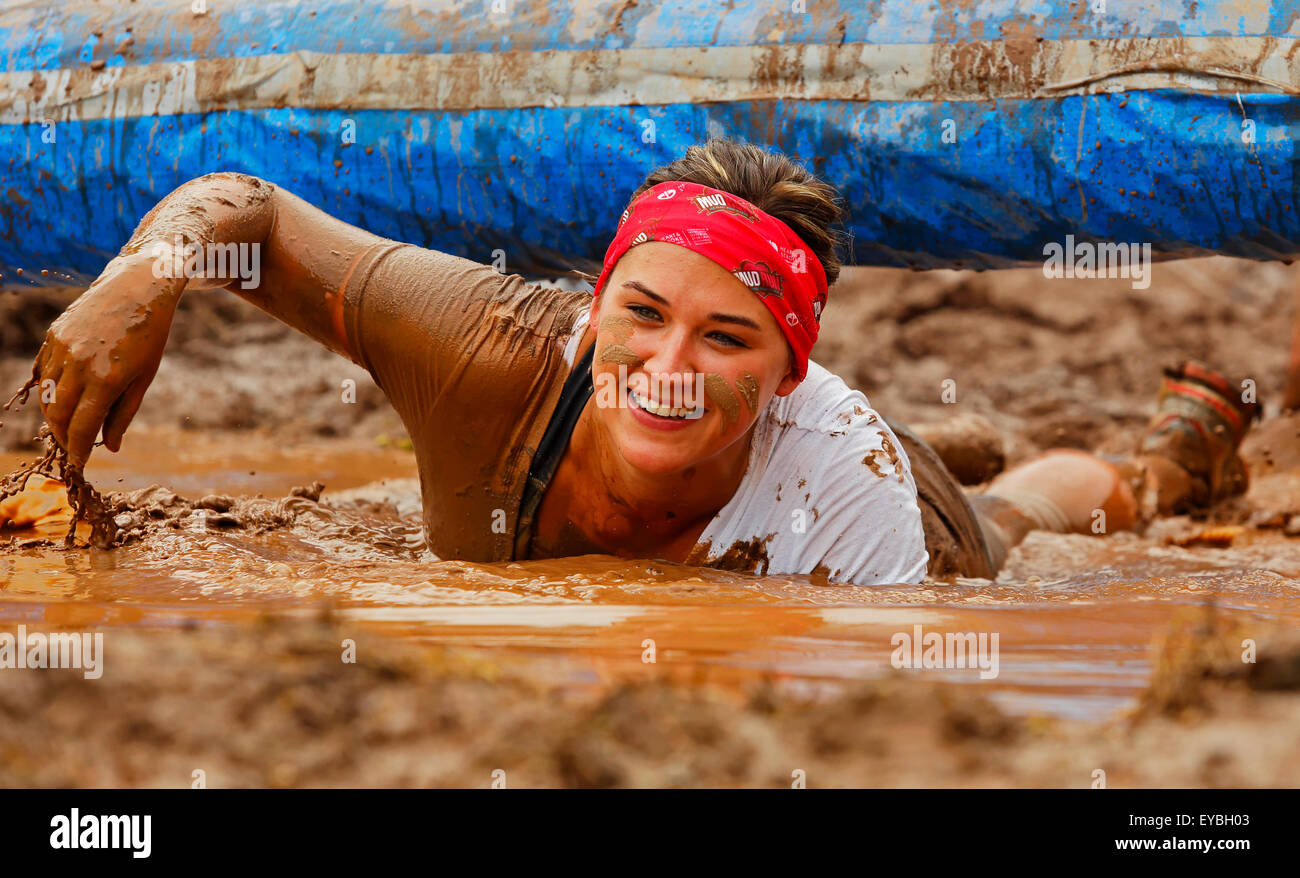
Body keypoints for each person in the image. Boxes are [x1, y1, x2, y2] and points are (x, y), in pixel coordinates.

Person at [28, 139, 1260, 584]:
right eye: (642, 314)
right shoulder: (492, 344)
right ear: (594, 305)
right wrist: (142, 281)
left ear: (785, 371)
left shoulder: (851, 496)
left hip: (888, 500)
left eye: (726, 336)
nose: (665, 363)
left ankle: (1168, 460)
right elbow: (243, 203)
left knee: (1012, 517)